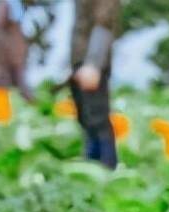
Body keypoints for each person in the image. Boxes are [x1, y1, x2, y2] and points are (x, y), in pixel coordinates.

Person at [69, 0, 120, 169]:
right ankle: (91, 169)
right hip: (81, 61)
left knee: (97, 121)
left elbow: (104, 21)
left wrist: (93, 63)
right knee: (87, 121)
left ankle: (105, 172)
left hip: (92, 63)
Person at [0, 0, 32, 102]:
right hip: (15, 51)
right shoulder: (15, 4)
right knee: (20, 83)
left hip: (7, 52)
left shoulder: (7, 4)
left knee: (4, 80)